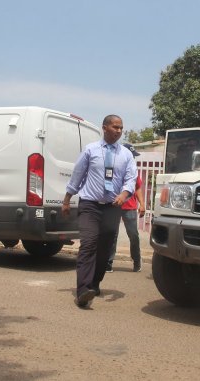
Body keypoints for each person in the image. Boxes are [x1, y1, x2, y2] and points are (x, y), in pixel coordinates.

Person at [62, 115, 137, 308]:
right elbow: (77, 174)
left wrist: (125, 194)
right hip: (90, 205)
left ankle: (94, 284)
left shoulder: (126, 155)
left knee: (104, 249)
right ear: (105, 128)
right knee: (88, 244)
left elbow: (131, 179)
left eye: (121, 128)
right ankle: (82, 291)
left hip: (112, 207)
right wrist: (67, 198)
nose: (119, 131)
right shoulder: (90, 150)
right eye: (115, 127)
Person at [106, 143, 145, 273]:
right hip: (114, 205)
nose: (133, 158)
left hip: (130, 206)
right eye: (131, 155)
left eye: (134, 156)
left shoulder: (133, 170)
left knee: (133, 234)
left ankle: (137, 260)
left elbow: (137, 187)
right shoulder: (112, 167)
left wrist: (142, 204)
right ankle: (108, 263)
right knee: (112, 234)